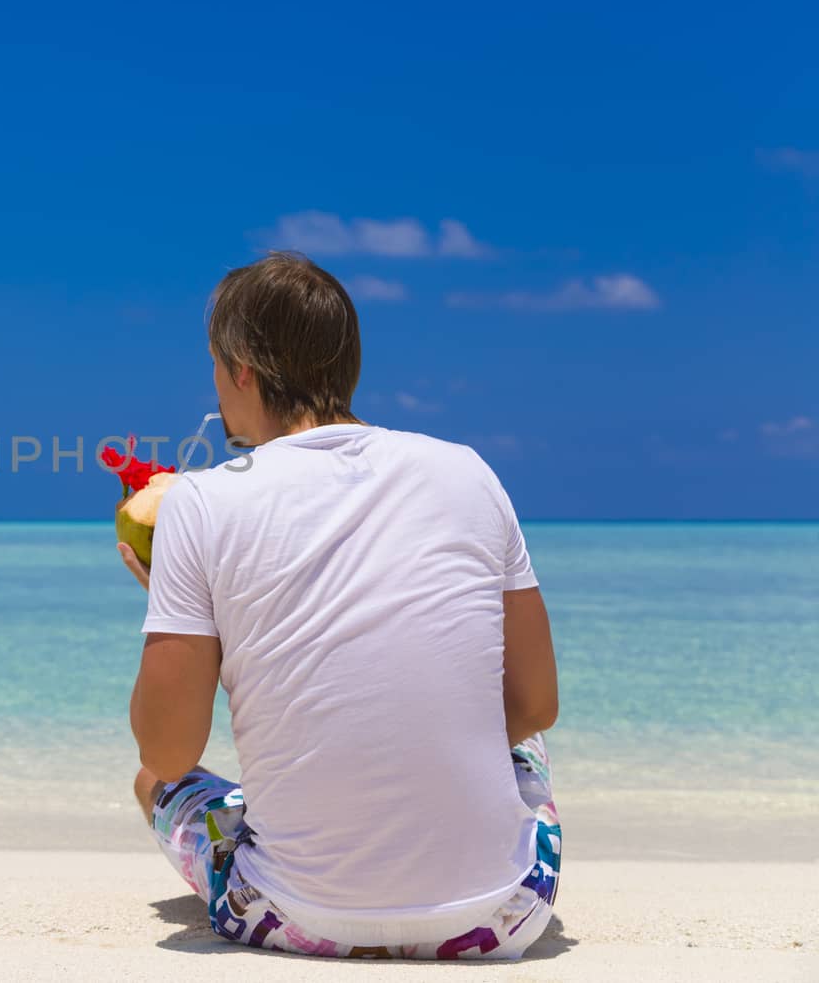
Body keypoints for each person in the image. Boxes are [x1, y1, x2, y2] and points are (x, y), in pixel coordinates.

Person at [116, 251, 562, 960]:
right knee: (524, 747)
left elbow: (169, 749)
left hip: (291, 912)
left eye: (214, 366)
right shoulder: (469, 473)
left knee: (156, 784)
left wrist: (179, 608)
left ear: (242, 371)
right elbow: (534, 703)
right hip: (497, 915)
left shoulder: (201, 500)